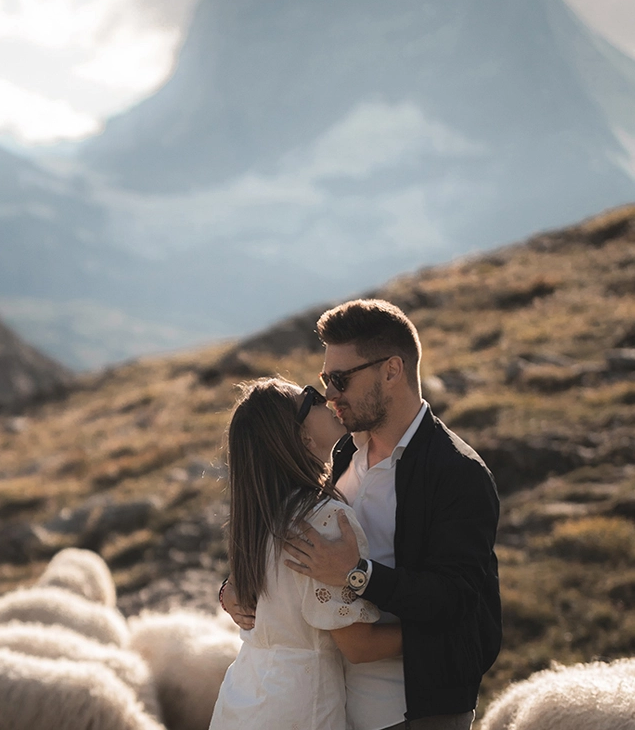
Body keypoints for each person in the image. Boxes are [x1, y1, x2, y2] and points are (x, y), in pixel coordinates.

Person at [221, 299, 501, 730]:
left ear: (391, 371)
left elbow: (457, 599)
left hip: (413, 710)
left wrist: (358, 575)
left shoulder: (457, 473)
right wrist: (238, 585)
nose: (331, 394)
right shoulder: (341, 454)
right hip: (330, 708)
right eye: (323, 381)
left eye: (340, 379)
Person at [209, 377, 403, 730]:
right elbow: (359, 647)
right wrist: (447, 631)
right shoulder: (325, 519)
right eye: (310, 399)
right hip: (299, 708)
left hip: (242, 699)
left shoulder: (258, 517)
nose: (325, 398)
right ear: (303, 438)